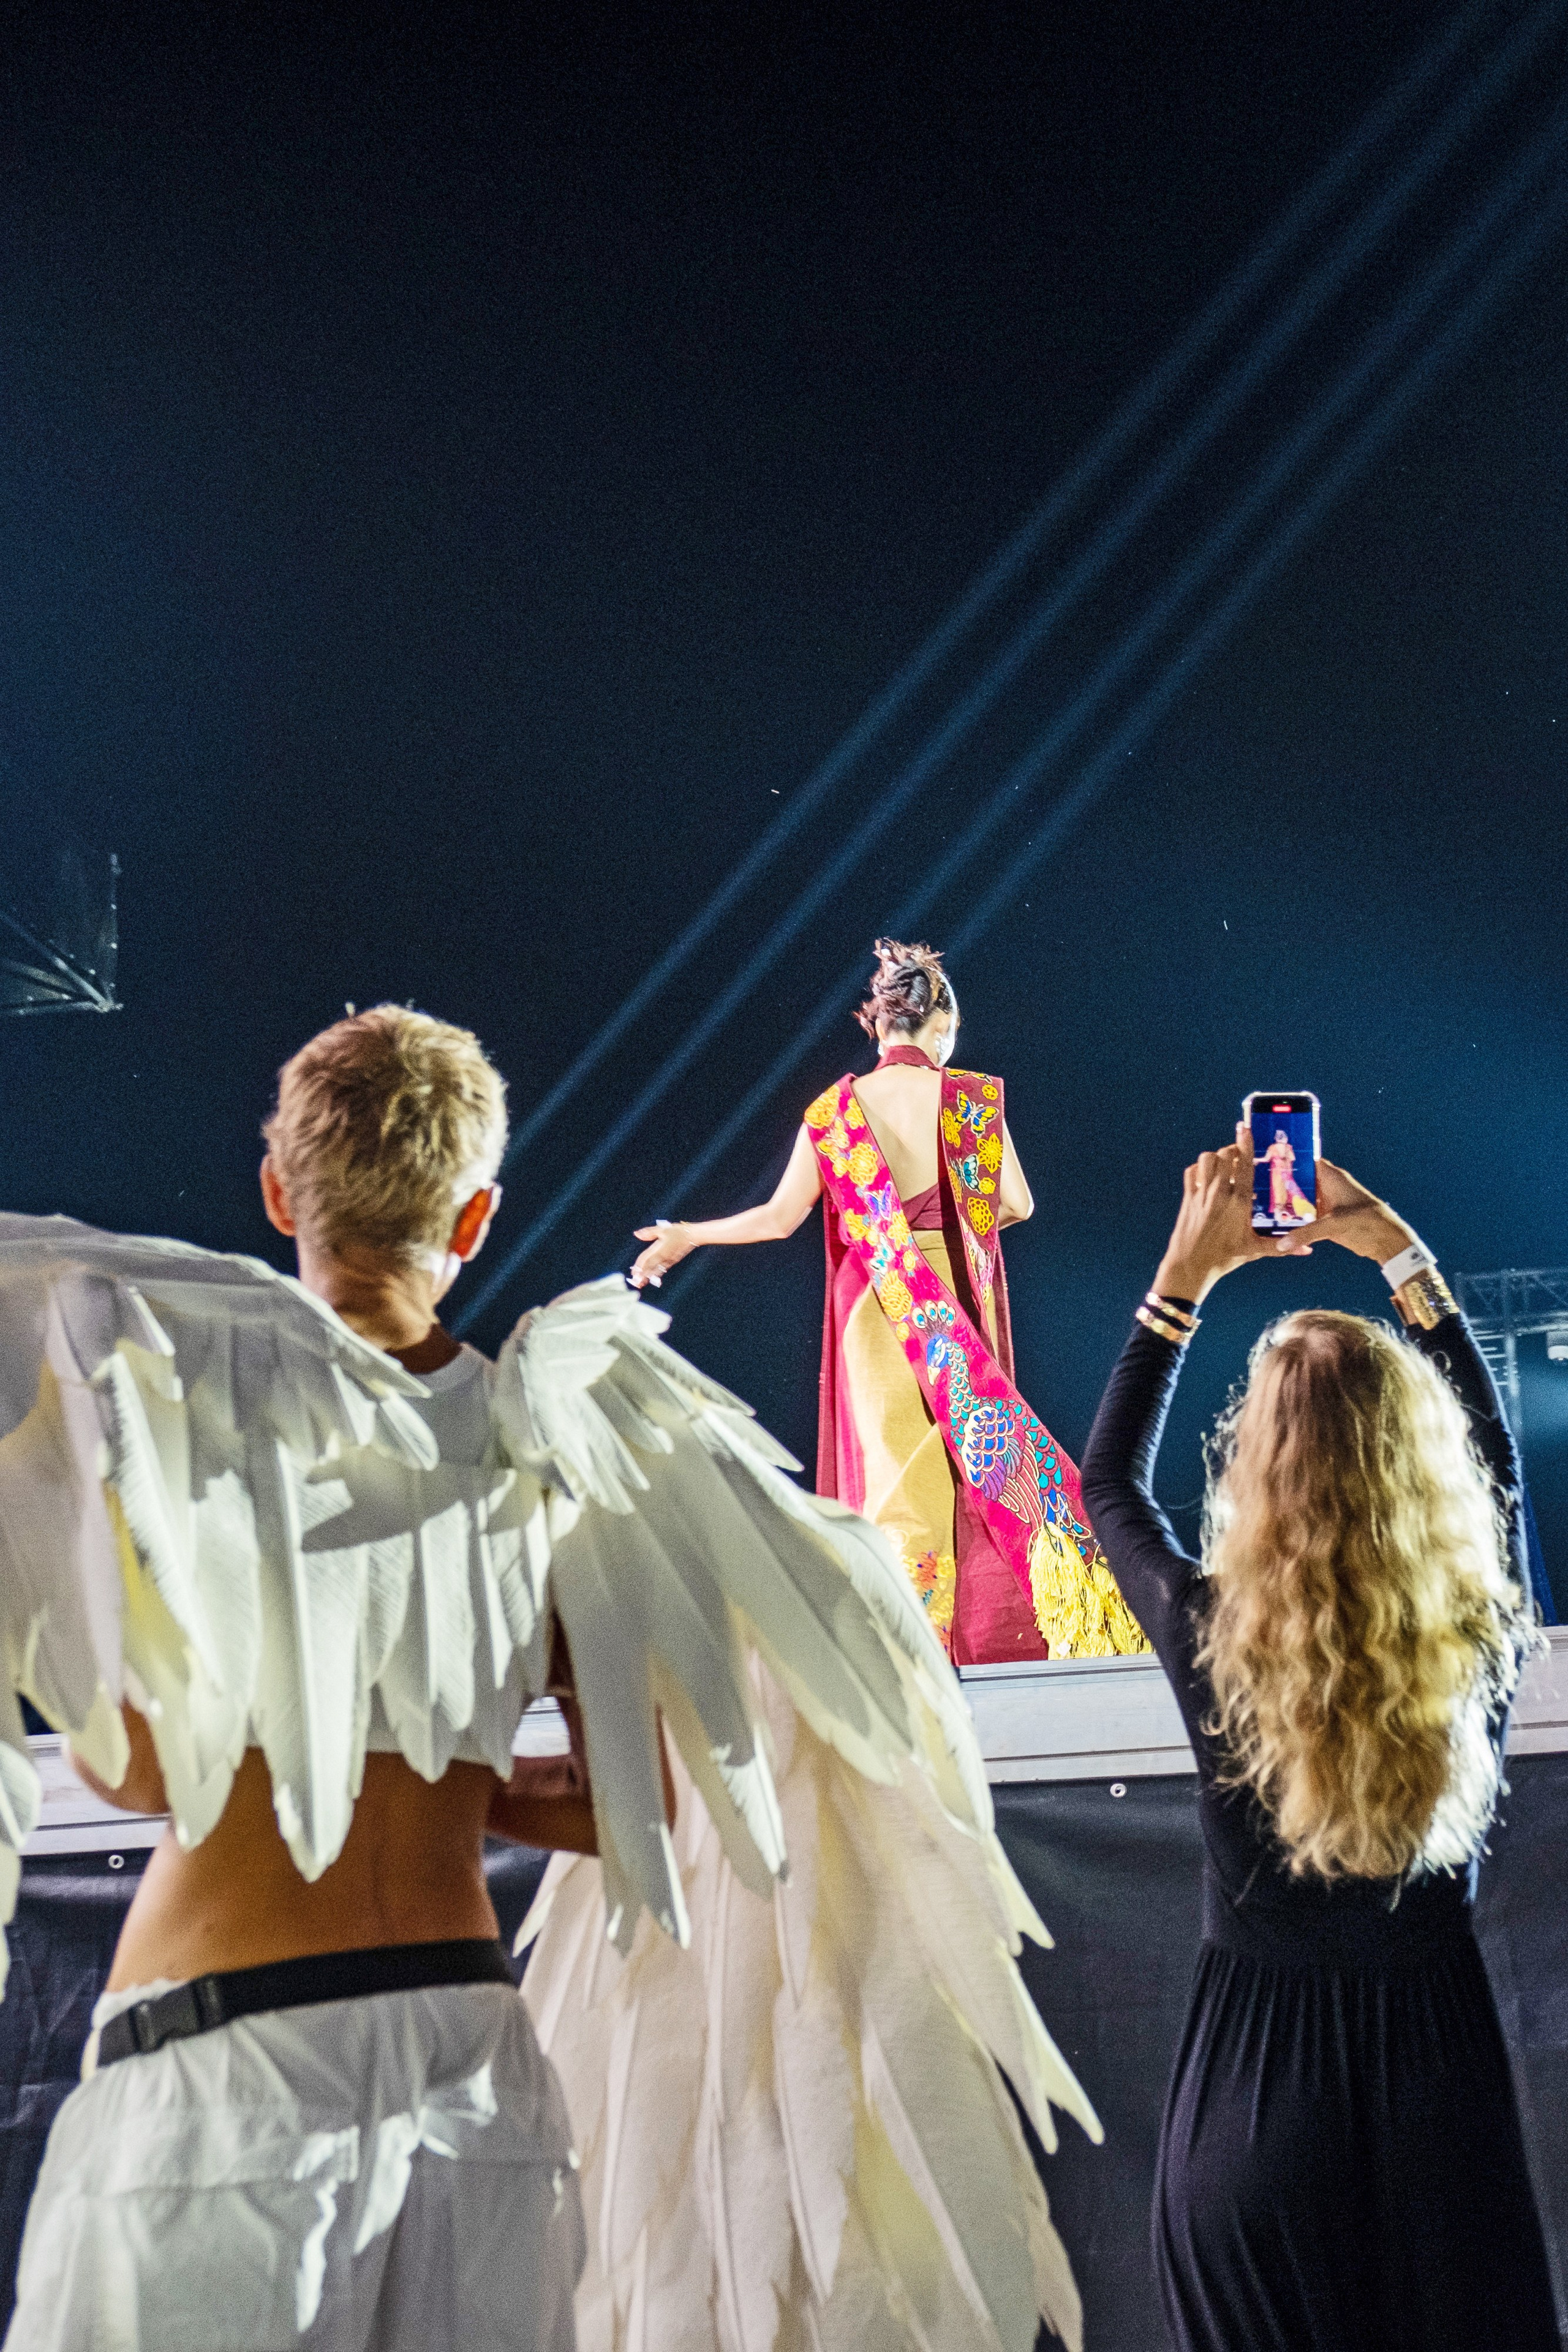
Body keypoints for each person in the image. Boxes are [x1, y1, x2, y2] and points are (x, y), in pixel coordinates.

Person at [0, 1002, 1100, 2352]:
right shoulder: (553, 1437)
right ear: (475, 1219)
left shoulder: (188, 1411)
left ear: (279, 1187)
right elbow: (623, 1799)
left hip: (226, 2061)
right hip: (471, 2068)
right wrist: (451, 1770)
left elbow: (139, 1765)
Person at [1079, 1128, 1558, 2352]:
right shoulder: (1467, 1629)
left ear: (1257, 1463)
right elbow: (1497, 1470)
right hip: (1435, 2113)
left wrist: (1179, 1284)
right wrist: (1397, 1252)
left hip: (1253, 2118)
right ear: (1418, 1469)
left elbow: (1107, 1490)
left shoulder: (1210, 1629)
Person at [632, 938, 1145, 1664]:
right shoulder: (969, 1101)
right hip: (955, 1300)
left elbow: (780, 1219)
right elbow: (1019, 1205)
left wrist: (688, 1234)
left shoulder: (835, 1111)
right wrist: (950, 1228)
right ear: (942, 1027)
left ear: (876, 1027)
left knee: (894, 1476)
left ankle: (902, 1647)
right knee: (976, 1462)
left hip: (873, 1306)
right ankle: (1002, 1632)